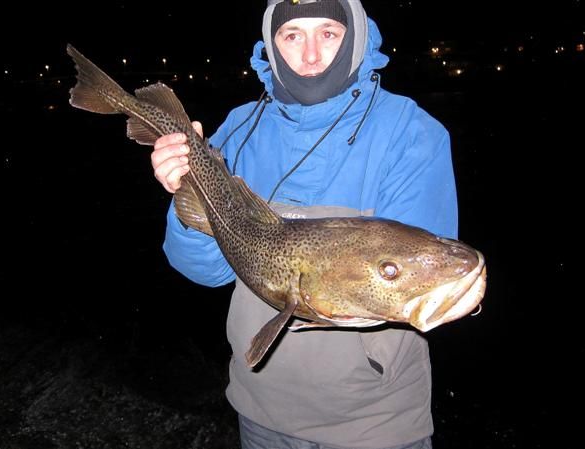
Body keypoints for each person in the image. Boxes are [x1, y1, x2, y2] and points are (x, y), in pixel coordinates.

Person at [150, 1, 456, 448]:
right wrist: (184, 188)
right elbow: (206, 271)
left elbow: (419, 285)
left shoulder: (411, 133)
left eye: (328, 33)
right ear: (272, 45)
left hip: (375, 423)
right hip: (260, 412)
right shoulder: (240, 128)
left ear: (354, 38)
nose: (311, 56)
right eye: (292, 36)